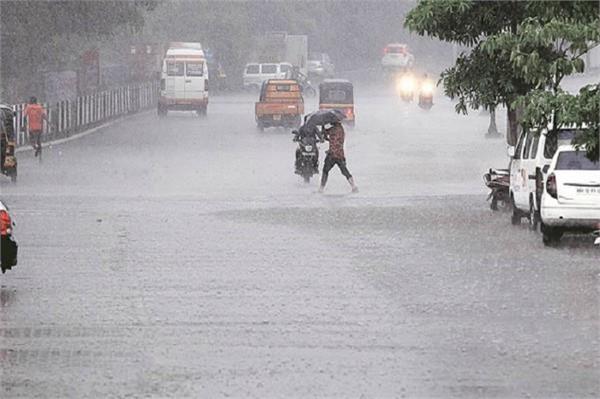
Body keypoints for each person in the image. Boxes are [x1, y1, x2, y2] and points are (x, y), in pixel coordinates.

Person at [319, 121, 358, 193]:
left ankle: (321, 188)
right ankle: (353, 186)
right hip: (340, 154)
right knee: (345, 171)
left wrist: (323, 127)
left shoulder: (333, 130)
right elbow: (330, 138)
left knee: (325, 170)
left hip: (332, 154)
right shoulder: (341, 129)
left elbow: (326, 136)